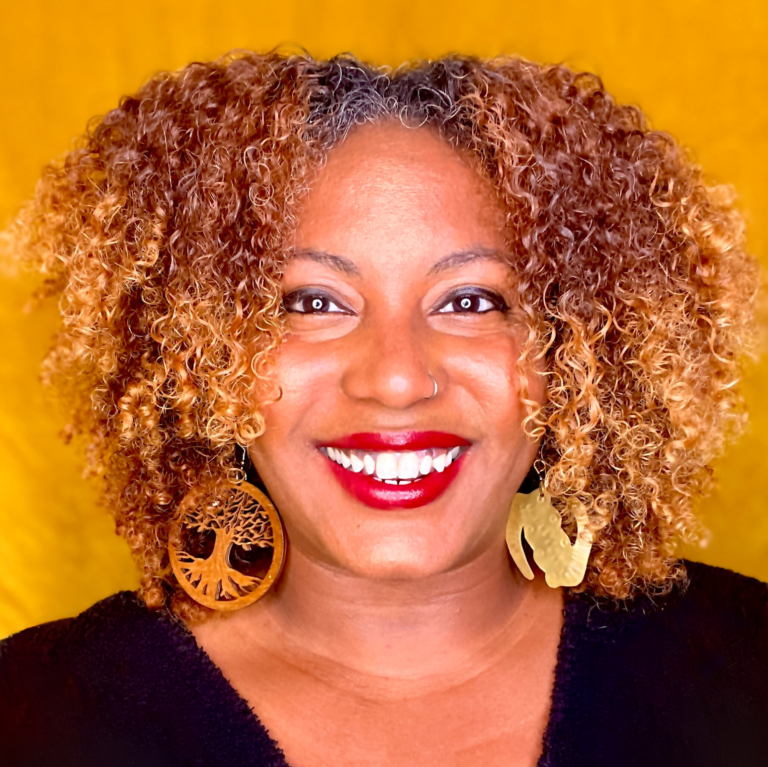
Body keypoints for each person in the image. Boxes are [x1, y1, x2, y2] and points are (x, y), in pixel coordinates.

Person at [0, 52, 766, 767]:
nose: (397, 379)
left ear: (580, 351)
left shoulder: (746, 664)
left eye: (470, 300)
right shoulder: (31, 714)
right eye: (312, 302)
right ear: (199, 351)